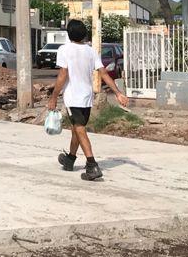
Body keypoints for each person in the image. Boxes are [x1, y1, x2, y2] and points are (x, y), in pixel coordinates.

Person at [47, 20, 128, 181]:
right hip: (87, 97)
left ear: (68, 34)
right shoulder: (91, 51)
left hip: (73, 96)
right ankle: (70, 159)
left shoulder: (64, 50)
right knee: (78, 128)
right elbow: (104, 73)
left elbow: (63, 75)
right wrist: (118, 93)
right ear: (84, 34)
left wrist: (53, 97)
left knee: (79, 128)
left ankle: (92, 165)